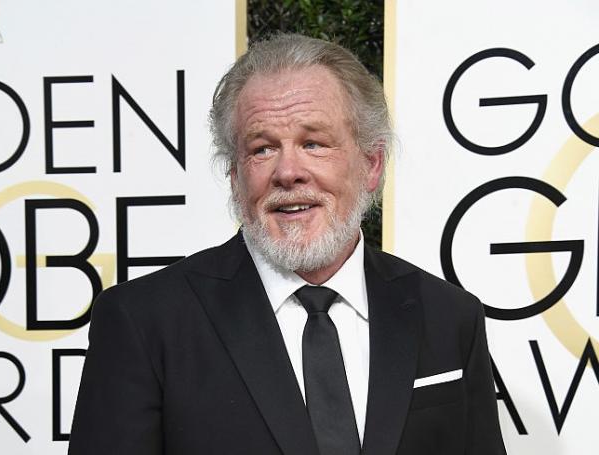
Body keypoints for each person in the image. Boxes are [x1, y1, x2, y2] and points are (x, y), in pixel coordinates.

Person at [68, 34, 506, 455]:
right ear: (235, 176)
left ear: (371, 164)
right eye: (262, 149)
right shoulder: (144, 322)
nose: (287, 172)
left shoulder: (448, 316)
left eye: (314, 143)